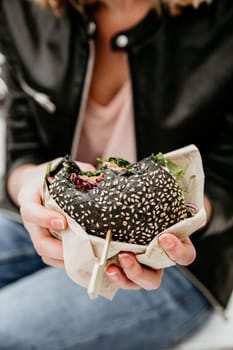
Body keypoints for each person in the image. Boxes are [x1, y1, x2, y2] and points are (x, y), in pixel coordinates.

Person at [0, 0, 232, 349]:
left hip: (181, 259)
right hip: (48, 219)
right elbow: (23, 148)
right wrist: (29, 184)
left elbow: (227, 178)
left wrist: (181, 220)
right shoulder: (20, 9)